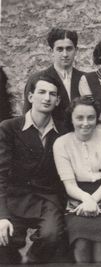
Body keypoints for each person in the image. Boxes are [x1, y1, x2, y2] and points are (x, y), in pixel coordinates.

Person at [0, 74, 67, 263]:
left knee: (52, 236)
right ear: (31, 97)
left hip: (48, 200)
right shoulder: (9, 128)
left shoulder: (63, 131)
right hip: (16, 197)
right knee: (4, 239)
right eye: (42, 92)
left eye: (52, 94)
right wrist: (1, 216)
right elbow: (1, 175)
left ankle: (31, 262)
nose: (47, 98)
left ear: (58, 100)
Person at [53, 96, 101, 263]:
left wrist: (93, 201)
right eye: (79, 117)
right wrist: (86, 199)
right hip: (76, 195)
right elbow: (69, 185)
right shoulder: (61, 143)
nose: (85, 123)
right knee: (80, 244)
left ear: (97, 118)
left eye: (91, 117)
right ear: (71, 119)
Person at [23, 28, 84, 127]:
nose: (65, 54)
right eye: (60, 49)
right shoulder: (37, 79)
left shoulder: (84, 78)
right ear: (51, 51)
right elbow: (27, 116)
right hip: (51, 137)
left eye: (69, 49)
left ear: (76, 50)